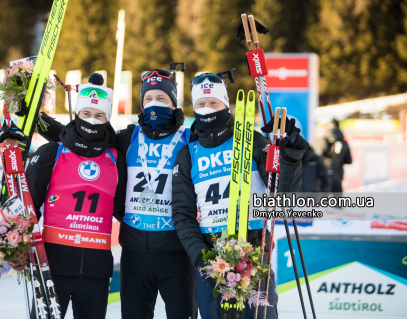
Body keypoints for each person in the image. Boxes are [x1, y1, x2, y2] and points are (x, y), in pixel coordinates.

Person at [37, 69, 197, 319]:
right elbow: (84, 136)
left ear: (174, 103)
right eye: (148, 99)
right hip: (134, 251)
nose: (154, 103)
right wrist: (38, 121)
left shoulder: (189, 138)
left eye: (161, 98)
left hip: (176, 252)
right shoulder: (128, 137)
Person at [172, 73, 309, 319]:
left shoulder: (253, 141)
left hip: (254, 249)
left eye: (214, 102)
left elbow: (284, 197)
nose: (207, 109)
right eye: (201, 104)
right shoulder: (188, 153)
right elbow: (182, 214)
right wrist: (202, 258)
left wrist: (290, 155)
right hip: (211, 255)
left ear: (226, 104)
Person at [21, 74, 127, 319]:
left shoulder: (115, 158)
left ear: (108, 118)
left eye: (99, 115)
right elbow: (28, 206)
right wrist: (12, 238)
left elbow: (123, 209)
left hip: (95, 273)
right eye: (86, 113)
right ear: (77, 114)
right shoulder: (52, 153)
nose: (92, 120)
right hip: (52, 268)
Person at [313, 119, 352, 194]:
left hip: (323, 176)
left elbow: (316, 158)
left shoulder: (322, 140)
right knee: (337, 203)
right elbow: (349, 161)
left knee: (321, 202)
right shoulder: (344, 142)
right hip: (337, 177)